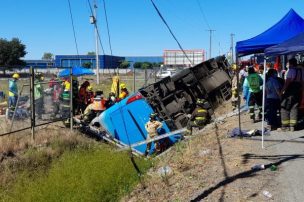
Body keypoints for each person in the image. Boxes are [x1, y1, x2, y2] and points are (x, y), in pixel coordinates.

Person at [280, 58, 303, 131]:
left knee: (284, 106)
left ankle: (285, 126)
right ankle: (292, 126)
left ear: (291, 64)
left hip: (290, 91)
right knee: (294, 107)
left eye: (288, 63)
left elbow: (287, 82)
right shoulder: (301, 71)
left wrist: (282, 91)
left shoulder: (291, 70)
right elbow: (302, 82)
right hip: (298, 91)